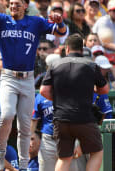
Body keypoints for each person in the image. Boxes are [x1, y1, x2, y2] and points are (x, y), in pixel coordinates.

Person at [0, 0, 67, 169]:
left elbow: (62, 32)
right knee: (7, 115)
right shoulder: (1, 19)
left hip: (28, 79)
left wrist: (60, 21)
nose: (13, 6)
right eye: (11, 3)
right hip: (8, 77)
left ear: (25, 5)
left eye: (17, 3)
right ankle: (0, 151)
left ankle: (23, 165)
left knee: (25, 125)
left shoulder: (36, 22)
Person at [40, 34, 109, 171]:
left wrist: (60, 99)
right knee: (96, 151)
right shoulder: (91, 64)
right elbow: (105, 89)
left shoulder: (54, 65)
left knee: (64, 158)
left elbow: (43, 91)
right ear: (82, 49)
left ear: (66, 48)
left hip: (61, 118)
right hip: (84, 118)